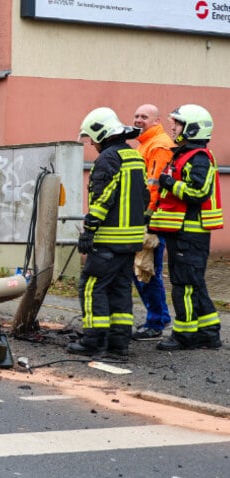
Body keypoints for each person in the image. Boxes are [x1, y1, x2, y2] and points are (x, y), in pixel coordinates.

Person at [68, 107, 148, 357]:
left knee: (92, 286)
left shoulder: (108, 159)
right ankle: (119, 343)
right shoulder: (133, 155)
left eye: (92, 138)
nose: (91, 143)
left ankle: (93, 341)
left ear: (102, 133)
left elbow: (103, 198)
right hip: (131, 238)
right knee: (120, 288)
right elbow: (144, 197)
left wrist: (89, 230)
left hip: (110, 238)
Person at [149, 104, 224, 351]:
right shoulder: (183, 154)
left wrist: (169, 183)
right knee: (193, 282)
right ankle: (209, 332)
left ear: (192, 128)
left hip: (190, 233)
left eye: (178, 124)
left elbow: (199, 192)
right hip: (182, 232)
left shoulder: (198, 157)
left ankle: (185, 335)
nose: (173, 127)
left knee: (184, 286)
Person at [131, 104, 174, 340]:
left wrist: (147, 218)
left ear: (156, 121)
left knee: (146, 270)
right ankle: (156, 318)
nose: (138, 120)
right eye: (136, 116)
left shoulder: (158, 145)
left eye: (144, 117)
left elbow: (154, 185)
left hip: (152, 220)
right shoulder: (147, 143)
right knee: (141, 270)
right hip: (146, 217)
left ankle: (157, 321)